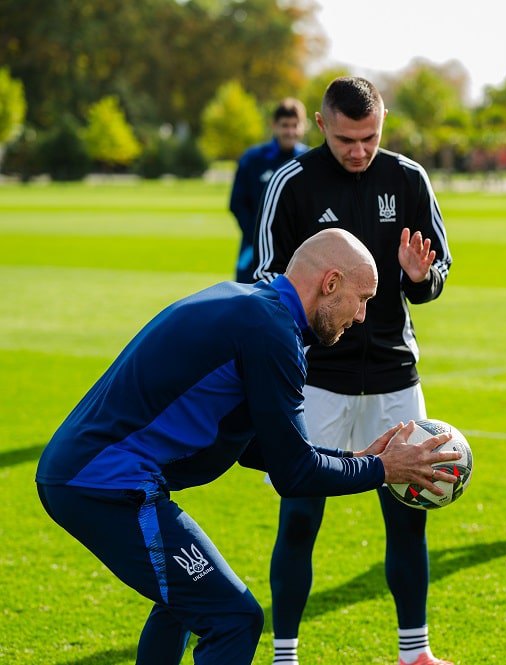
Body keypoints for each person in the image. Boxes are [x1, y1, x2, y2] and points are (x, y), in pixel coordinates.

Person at [34, 228, 462, 665]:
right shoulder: (271, 333)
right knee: (234, 617)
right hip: (104, 484)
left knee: (185, 604)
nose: (362, 317)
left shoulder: (256, 308)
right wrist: (383, 469)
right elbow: (294, 475)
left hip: (86, 475)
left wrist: (359, 460)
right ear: (330, 284)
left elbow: (261, 447)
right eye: (363, 298)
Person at [253, 76, 453, 665]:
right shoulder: (292, 182)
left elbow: (438, 274)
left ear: (382, 121)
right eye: (346, 139)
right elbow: (266, 278)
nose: (359, 150)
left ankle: (414, 653)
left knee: (409, 517)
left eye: (369, 137)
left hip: (395, 377)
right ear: (321, 125)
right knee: (299, 518)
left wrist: (421, 277)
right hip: (317, 382)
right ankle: (285, 654)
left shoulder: (409, 178)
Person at [228, 98, 308, 283]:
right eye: (285, 125)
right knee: (248, 303)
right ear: (274, 125)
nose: (290, 131)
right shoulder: (253, 159)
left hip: (298, 252)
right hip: (254, 250)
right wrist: (259, 238)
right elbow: (237, 204)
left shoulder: (310, 161)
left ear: (304, 126)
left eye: (295, 125)